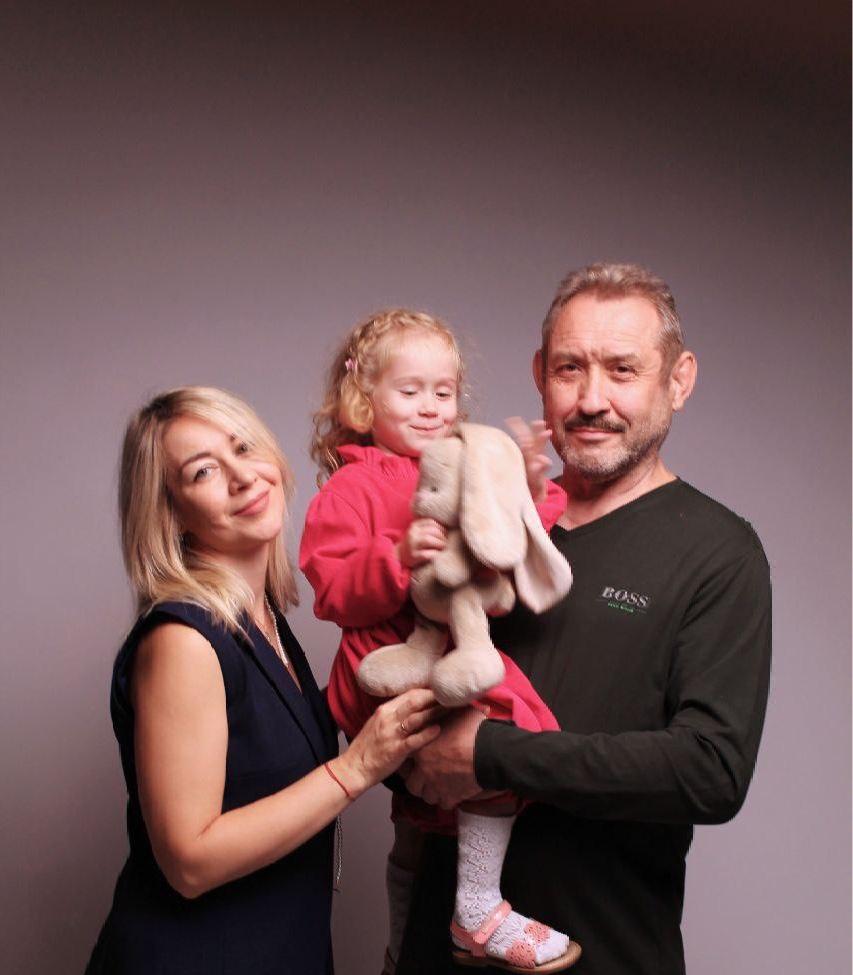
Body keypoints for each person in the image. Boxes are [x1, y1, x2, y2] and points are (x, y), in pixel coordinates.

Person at [396, 263, 772, 975]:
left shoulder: (719, 551)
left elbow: (711, 769)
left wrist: (491, 754)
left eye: (622, 370)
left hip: (606, 954)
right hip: (437, 952)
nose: (592, 399)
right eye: (570, 368)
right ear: (540, 373)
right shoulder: (487, 521)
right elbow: (404, 678)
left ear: (678, 380)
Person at [85, 386, 441, 975]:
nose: (243, 477)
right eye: (203, 471)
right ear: (171, 513)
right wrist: (357, 767)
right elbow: (189, 862)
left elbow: (270, 752)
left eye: (244, 447)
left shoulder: (262, 619)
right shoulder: (183, 640)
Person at [300, 310, 582, 973]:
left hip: (450, 647)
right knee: (492, 743)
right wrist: (395, 556)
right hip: (385, 663)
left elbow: (503, 534)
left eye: (443, 391)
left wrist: (528, 483)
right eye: (409, 391)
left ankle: (406, 945)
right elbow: (331, 591)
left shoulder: (461, 460)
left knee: (440, 802)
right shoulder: (351, 486)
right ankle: (477, 908)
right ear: (363, 400)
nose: (430, 407)